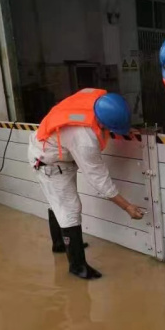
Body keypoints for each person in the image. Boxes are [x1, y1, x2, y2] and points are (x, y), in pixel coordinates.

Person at [28, 88, 144, 280]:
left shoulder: (98, 101)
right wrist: (127, 206)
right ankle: (77, 266)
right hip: (48, 161)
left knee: (57, 202)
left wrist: (121, 128)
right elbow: (99, 180)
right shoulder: (83, 139)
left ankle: (60, 244)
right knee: (70, 209)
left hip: (51, 149)